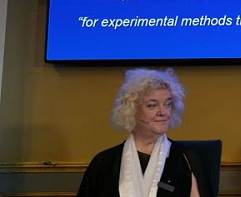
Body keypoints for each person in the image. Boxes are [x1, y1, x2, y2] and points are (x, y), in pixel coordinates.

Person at [77, 68, 213, 197]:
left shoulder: (186, 160)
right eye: (152, 105)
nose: (163, 112)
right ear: (131, 111)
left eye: (168, 104)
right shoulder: (104, 163)